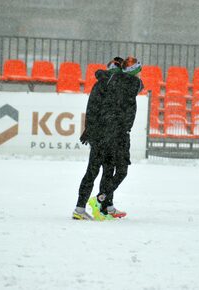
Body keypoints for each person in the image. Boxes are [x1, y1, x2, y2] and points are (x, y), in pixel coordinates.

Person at [88, 56, 144, 220]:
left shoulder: (119, 82)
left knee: (110, 170)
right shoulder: (130, 83)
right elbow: (139, 85)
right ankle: (100, 200)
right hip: (117, 134)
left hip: (114, 132)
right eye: (139, 71)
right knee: (121, 170)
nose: (140, 75)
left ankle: (106, 205)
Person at [72, 57, 124, 220]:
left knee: (100, 171)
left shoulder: (104, 85)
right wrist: (91, 130)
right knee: (101, 171)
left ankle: (101, 207)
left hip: (104, 135)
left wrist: (90, 130)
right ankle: (86, 209)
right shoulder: (110, 86)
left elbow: (92, 109)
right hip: (104, 136)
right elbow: (95, 110)